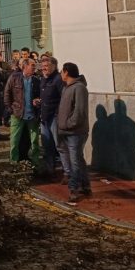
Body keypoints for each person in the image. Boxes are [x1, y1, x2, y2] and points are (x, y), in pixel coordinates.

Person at [57, 62, 91, 205]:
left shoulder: (79, 88)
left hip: (75, 131)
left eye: (61, 72)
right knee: (78, 159)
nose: (60, 74)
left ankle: (74, 189)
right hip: (67, 130)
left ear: (66, 72)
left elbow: (79, 111)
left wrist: (69, 124)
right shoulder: (67, 88)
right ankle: (86, 185)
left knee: (75, 160)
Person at [3, 58, 41, 169]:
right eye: (32, 65)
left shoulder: (36, 80)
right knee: (14, 140)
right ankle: (13, 162)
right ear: (24, 66)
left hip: (32, 115)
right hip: (17, 114)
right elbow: (7, 93)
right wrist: (10, 109)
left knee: (34, 141)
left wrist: (38, 101)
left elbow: (40, 95)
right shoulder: (14, 78)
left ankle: (35, 163)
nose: (34, 67)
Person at [39, 56, 64, 180]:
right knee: (47, 146)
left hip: (54, 117)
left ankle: (67, 172)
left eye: (46, 66)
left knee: (60, 146)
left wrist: (58, 114)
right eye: (42, 66)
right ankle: (50, 170)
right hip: (44, 117)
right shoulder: (43, 79)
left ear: (54, 66)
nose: (44, 69)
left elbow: (63, 98)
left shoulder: (58, 79)